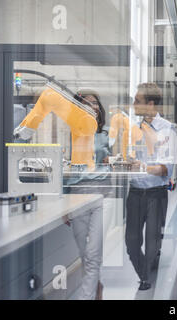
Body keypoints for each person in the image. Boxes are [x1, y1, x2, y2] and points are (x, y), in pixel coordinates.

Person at [125, 82, 176, 291]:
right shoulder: (133, 128)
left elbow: (166, 169)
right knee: (131, 243)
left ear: (151, 104)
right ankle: (146, 271)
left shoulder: (166, 129)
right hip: (135, 193)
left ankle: (145, 277)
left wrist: (142, 166)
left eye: (137, 101)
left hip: (156, 194)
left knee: (153, 242)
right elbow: (130, 157)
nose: (134, 104)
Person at [63, 89, 112, 300]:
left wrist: (110, 162)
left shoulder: (105, 134)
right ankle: (97, 287)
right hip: (76, 196)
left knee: (93, 254)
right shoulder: (71, 134)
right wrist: (63, 204)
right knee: (84, 254)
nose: (92, 107)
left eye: (95, 103)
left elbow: (113, 162)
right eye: (86, 103)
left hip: (101, 195)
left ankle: (87, 297)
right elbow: (64, 169)